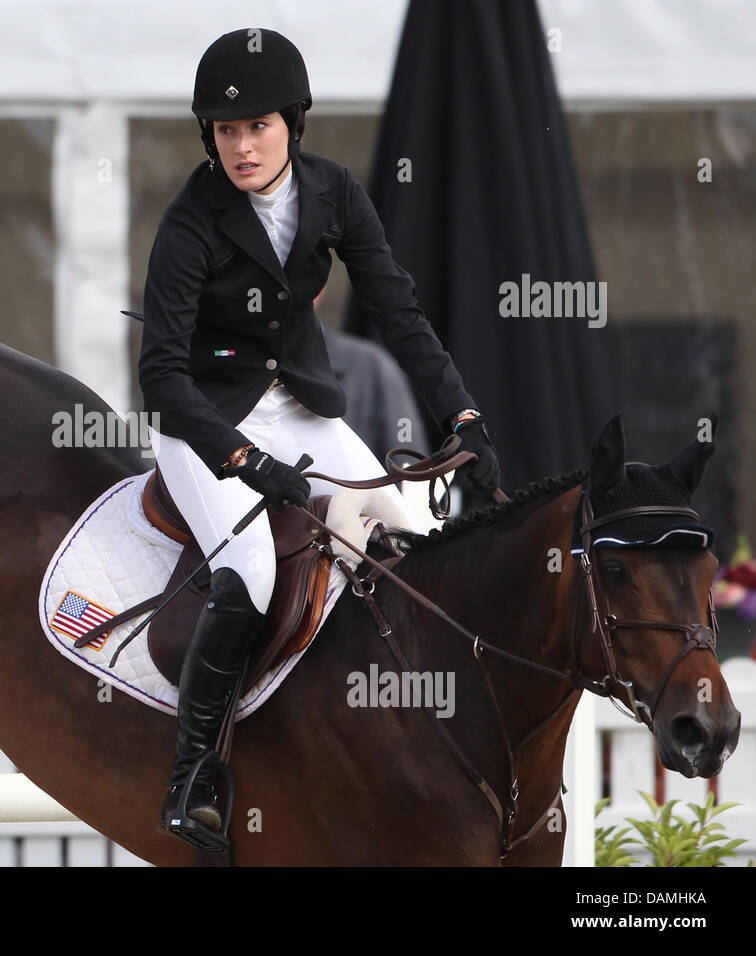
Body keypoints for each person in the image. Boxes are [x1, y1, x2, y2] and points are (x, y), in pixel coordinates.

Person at [140, 28, 501, 850]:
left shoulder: (334, 192)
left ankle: (415, 742)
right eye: (226, 131)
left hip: (300, 405)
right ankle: (193, 776)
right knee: (252, 571)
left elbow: (401, 314)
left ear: (293, 125)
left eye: (257, 127)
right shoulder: (192, 220)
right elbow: (160, 377)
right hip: (205, 419)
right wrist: (245, 463)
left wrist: (464, 415)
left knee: (419, 535)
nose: (241, 146)